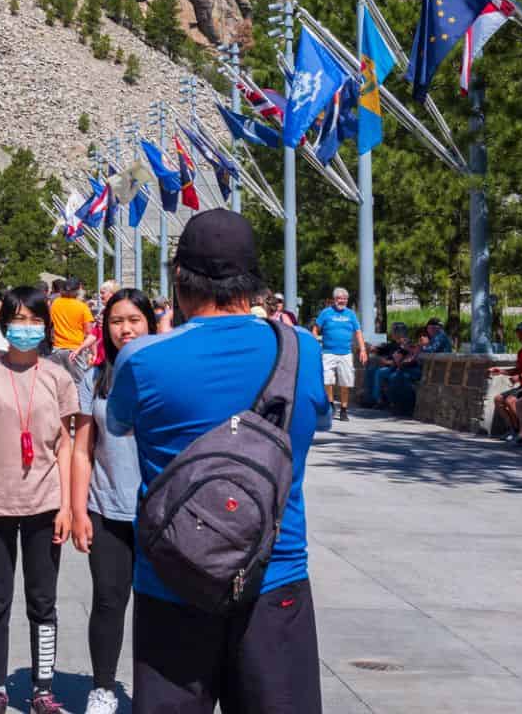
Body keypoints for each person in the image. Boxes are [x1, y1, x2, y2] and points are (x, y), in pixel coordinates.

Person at [107, 209, 328, 712]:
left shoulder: (142, 359)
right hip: (276, 574)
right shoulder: (303, 351)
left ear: (180, 281)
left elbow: (119, 426)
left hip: (172, 580)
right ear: (252, 282)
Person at [0, 285, 78, 714]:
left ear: (45, 326)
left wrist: (67, 505)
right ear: (3, 324)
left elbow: (66, 444)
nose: (26, 328)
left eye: (34, 320)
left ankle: (42, 688)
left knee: (43, 602)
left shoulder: (59, 377)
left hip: (45, 504)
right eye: (18, 319)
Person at [70, 288, 158, 714]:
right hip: (106, 510)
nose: (125, 328)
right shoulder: (95, 377)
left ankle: (154, 689)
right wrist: (76, 510)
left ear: (150, 323)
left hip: (161, 514)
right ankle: (102, 687)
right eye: (117, 320)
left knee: (158, 607)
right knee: (108, 599)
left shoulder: (166, 373)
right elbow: (81, 448)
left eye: (134, 320)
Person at [312, 287, 363, 421]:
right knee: (327, 380)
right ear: (335, 299)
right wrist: (315, 344)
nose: (342, 301)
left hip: (345, 353)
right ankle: (331, 404)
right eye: (339, 298)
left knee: (345, 382)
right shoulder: (326, 313)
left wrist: (363, 350)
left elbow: (358, 332)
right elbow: (316, 329)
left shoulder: (351, 314)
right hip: (328, 352)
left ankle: (344, 410)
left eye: (344, 299)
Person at [492, 322, 522, 443]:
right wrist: (501, 371)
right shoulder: (521, 352)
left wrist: (520, 376)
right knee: (498, 399)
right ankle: (513, 429)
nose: (519, 336)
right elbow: (517, 370)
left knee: (510, 400)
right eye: (518, 333)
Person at [47, 278, 95, 379]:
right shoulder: (82, 307)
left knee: (58, 382)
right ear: (78, 290)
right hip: (75, 350)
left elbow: (49, 322)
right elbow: (89, 333)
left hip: (57, 349)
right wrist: (93, 352)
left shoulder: (55, 303)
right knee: (78, 383)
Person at [359, 322, 412, 410]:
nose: (392, 333)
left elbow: (402, 359)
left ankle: (377, 400)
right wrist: (374, 349)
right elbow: (385, 349)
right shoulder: (394, 343)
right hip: (391, 366)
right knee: (371, 369)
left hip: (398, 368)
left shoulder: (406, 343)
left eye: (393, 331)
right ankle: (369, 397)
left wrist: (387, 362)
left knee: (379, 372)